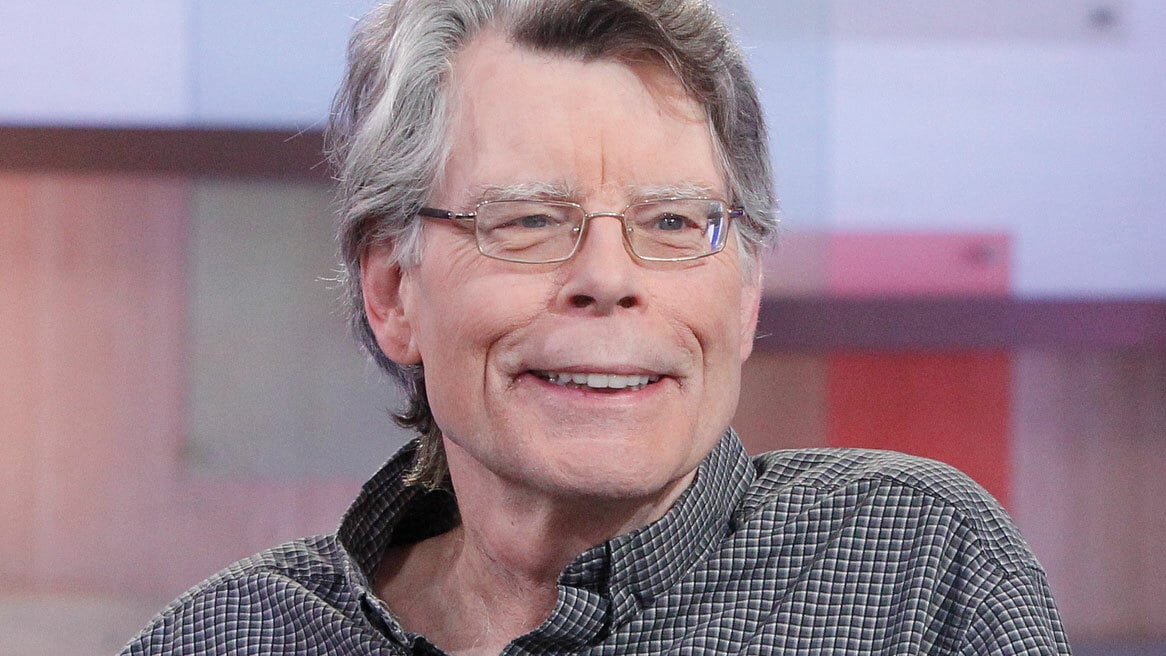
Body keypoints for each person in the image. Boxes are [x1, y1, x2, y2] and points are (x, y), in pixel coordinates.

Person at [123, 0, 1071, 654]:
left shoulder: (916, 567)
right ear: (392, 291)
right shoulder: (231, 637)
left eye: (671, 223)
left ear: (744, 294)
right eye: (529, 221)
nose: (609, 280)